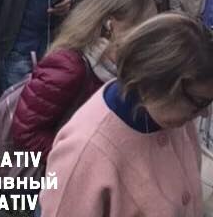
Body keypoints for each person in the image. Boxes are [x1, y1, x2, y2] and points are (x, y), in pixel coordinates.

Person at [39, 13, 213, 217]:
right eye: (199, 102)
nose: (204, 113)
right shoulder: (85, 152)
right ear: (157, 81)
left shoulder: (170, 115)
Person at [12, 0, 157, 166]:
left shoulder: (120, 67)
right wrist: (78, 162)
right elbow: (25, 132)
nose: (148, 40)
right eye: (141, 29)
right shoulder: (69, 68)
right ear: (111, 25)